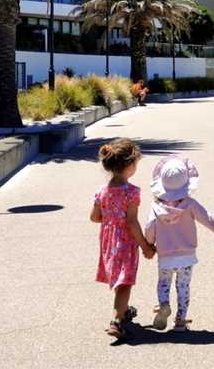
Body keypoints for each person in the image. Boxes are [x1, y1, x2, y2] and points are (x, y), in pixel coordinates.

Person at [144, 156, 214, 332]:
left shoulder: (156, 207)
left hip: (165, 255)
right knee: (183, 287)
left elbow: (149, 228)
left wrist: (149, 244)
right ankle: (180, 320)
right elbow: (206, 218)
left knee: (164, 283)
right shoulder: (190, 204)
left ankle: (164, 304)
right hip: (186, 255)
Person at [90, 138, 155, 339]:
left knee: (119, 278)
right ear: (129, 165)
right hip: (125, 241)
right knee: (125, 282)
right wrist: (145, 246)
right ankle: (116, 321)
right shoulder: (131, 192)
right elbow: (132, 222)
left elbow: (94, 217)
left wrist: (109, 217)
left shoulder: (102, 191)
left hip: (108, 241)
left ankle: (124, 310)